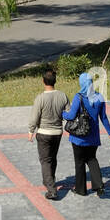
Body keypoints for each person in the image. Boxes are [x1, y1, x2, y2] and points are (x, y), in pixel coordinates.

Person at [60, 72, 110, 196]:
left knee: (79, 162)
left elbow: (71, 116)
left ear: (81, 83)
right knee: (92, 159)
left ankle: (81, 189)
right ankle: (99, 186)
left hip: (78, 138)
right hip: (93, 137)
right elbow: (104, 118)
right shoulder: (100, 97)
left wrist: (62, 113)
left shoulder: (78, 97)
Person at [27, 70, 71, 200]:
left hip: (43, 133)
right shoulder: (63, 96)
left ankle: (52, 190)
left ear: (43, 81)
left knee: (45, 160)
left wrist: (31, 131)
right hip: (57, 133)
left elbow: (34, 117)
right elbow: (69, 114)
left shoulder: (40, 98)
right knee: (53, 158)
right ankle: (49, 180)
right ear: (55, 81)